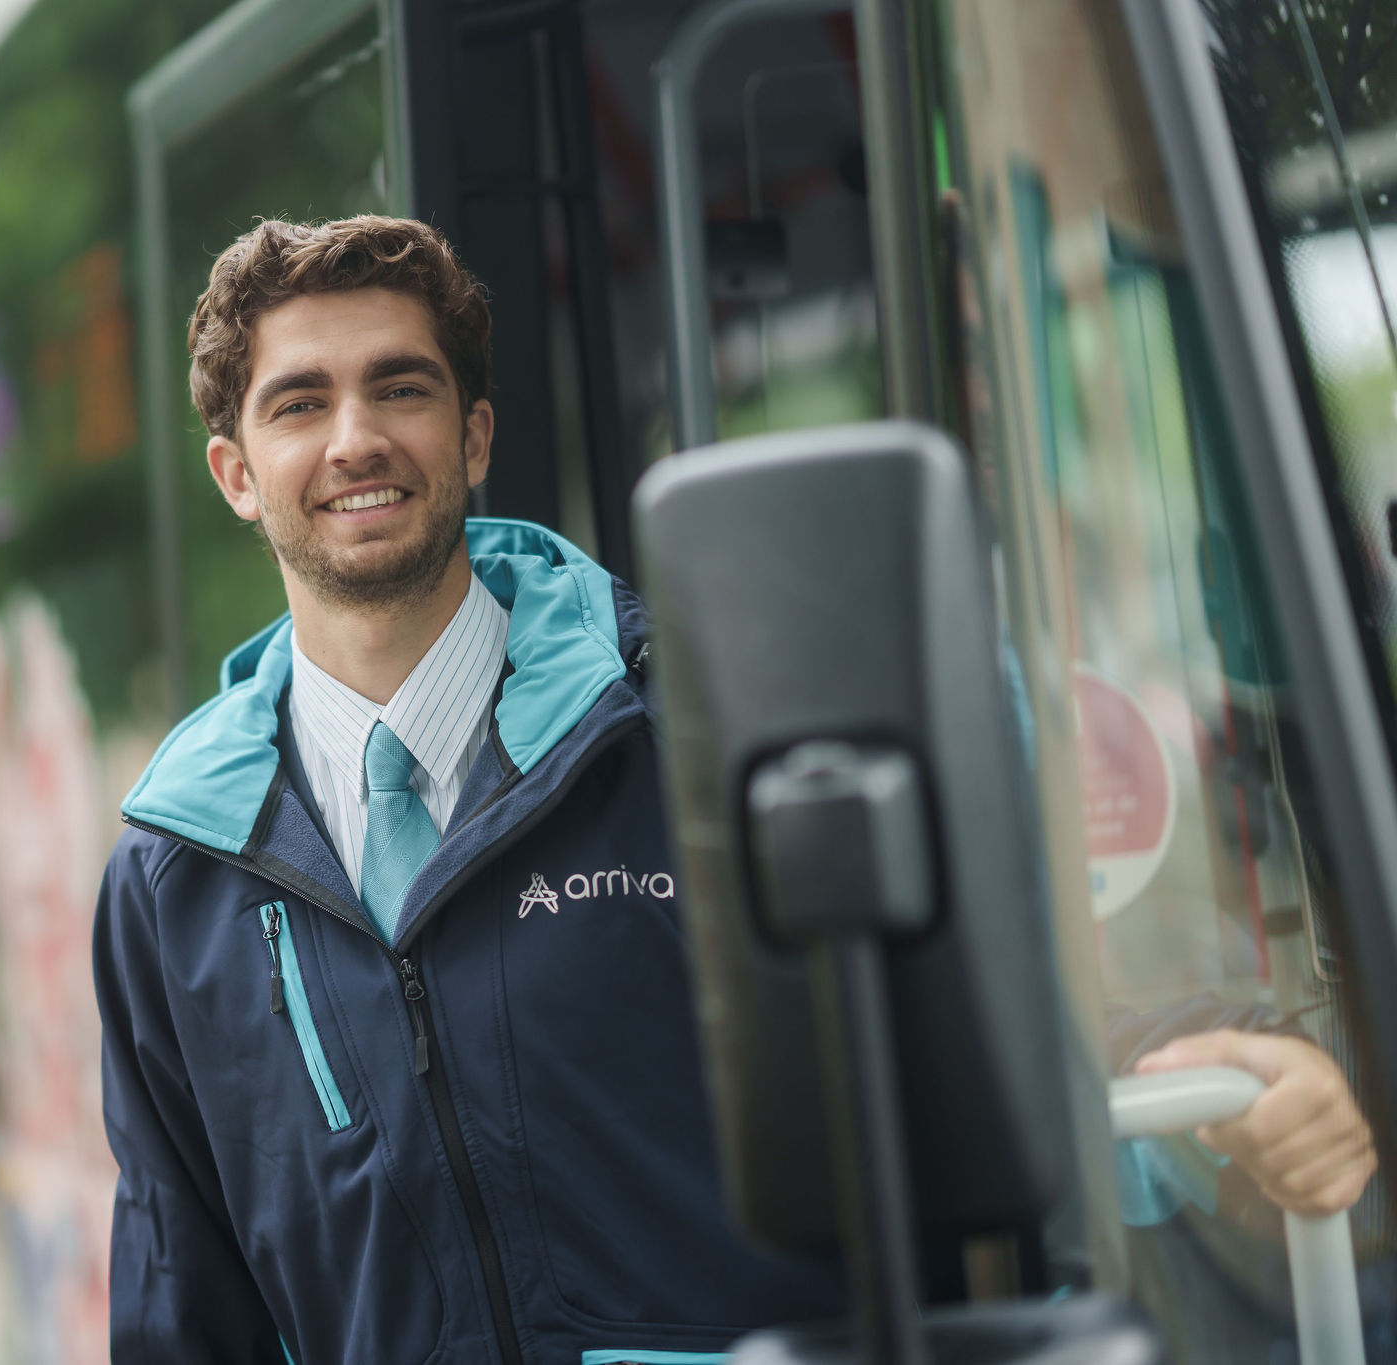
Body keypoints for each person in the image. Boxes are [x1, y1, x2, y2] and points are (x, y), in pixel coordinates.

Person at [90, 214, 1374, 1363]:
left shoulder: (708, 732)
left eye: (400, 387)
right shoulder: (172, 881)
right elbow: (184, 1307)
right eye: (299, 403)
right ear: (237, 475)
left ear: (473, 437)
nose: (356, 438)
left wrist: (1214, 1061)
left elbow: (1014, 1020)